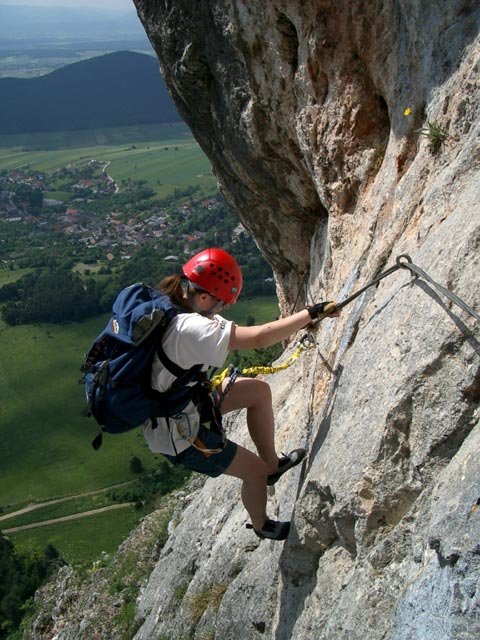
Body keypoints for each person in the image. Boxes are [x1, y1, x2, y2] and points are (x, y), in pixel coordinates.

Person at [142, 248, 338, 541]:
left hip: (183, 402)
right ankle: (262, 525)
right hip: (178, 433)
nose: (221, 310)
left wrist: (297, 323)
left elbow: (229, 329)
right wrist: (309, 313)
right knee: (253, 473)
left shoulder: (173, 305)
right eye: (220, 303)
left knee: (258, 392)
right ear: (205, 297)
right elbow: (259, 337)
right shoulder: (191, 327)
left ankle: (272, 466)